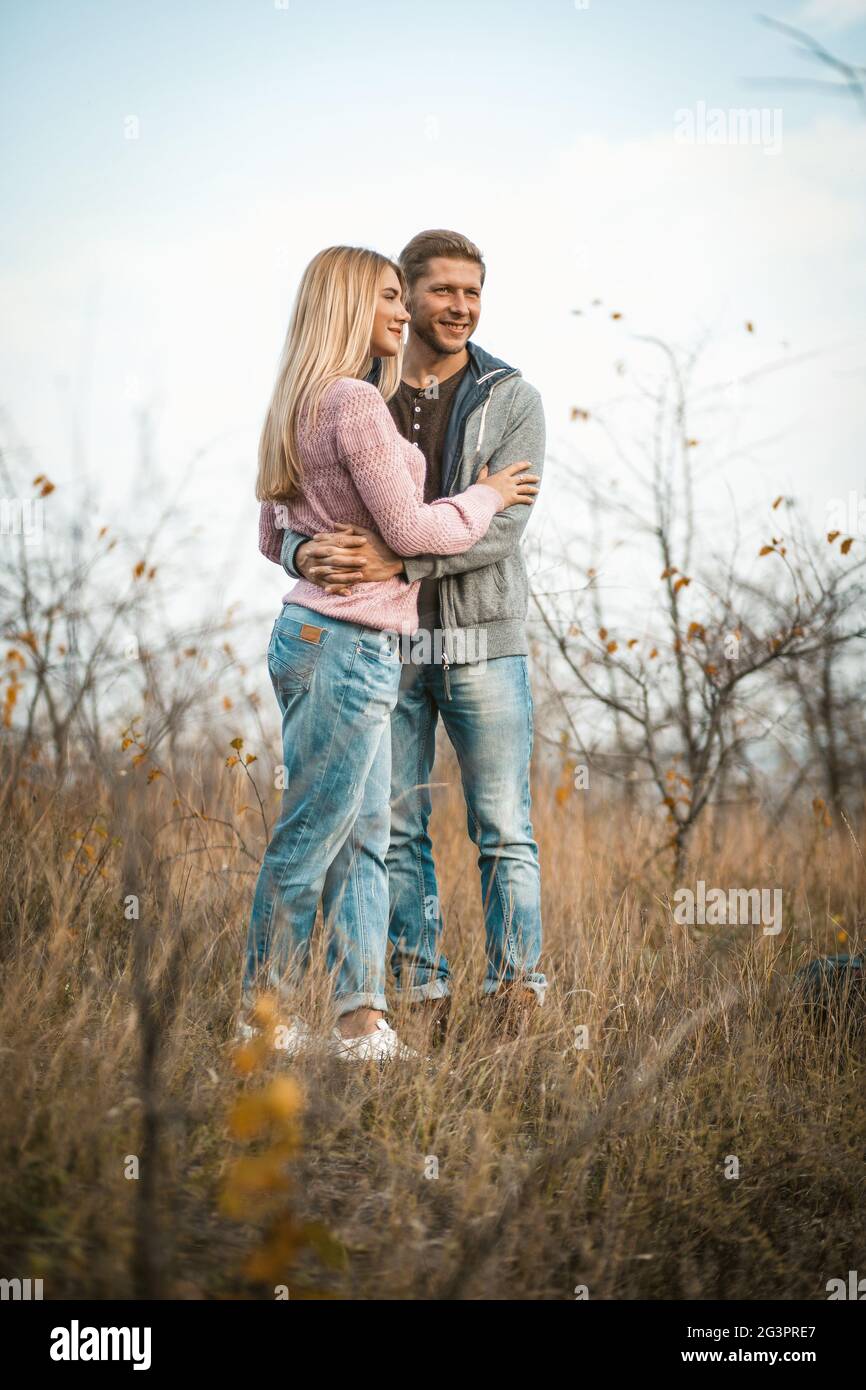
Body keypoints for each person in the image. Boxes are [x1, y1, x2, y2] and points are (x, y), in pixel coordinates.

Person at [244, 244, 539, 1061]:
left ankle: (360, 1018)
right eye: (393, 297)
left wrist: (312, 555)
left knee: (368, 833)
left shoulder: (303, 399)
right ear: (353, 304)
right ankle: (261, 1020)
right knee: (317, 833)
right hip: (352, 641)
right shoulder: (360, 402)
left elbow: (273, 525)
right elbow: (407, 528)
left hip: (336, 632)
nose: (406, 313)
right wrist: (486, 494)